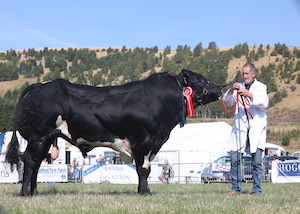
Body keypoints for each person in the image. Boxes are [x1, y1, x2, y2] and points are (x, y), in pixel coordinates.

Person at [222, 63, 269, 195]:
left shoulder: (261, 87)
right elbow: (227, 102)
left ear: (254, 74)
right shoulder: (239, 86)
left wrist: (249, 94)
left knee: (256, 161)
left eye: (247, 73)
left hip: (256, 127)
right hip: (240, 127)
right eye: (243, 73)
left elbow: (264, 103)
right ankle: (235, 188)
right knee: (235, 159)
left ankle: (256, 189)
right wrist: (232, 90)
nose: (244, 76)